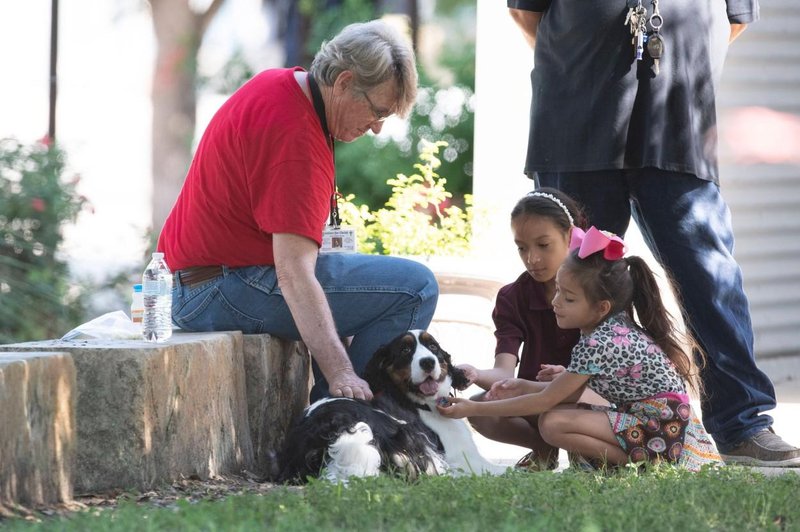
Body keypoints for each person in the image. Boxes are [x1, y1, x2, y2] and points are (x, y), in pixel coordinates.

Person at [507, 1, 800, 466]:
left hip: (677, 124)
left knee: (709, 276)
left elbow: (734, 19)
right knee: (568, 282)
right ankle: (559, 435)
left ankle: (743, 426)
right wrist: (581, 64)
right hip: (575, 121)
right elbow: (527, 14)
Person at [156, 20, 439, 402]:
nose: (375, 128)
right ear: (343, 83)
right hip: (217, 288)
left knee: (392, 284)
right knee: (415, 288)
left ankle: (340, 418)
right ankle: (350, 414)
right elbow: (293, 273)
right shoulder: (297, 138)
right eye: (378, 112)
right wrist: (340, 373)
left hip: (202, 282)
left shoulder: (284, 86)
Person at [439, 228, 721, 471]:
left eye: (569, 298)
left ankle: (646, 465)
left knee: (553, 423)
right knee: (562, 411)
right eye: (559, 291)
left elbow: (545, 402)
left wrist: (471, 408)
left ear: (601, 308)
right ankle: (637, 459)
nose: (556, 302)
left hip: (661, 428)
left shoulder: (598, 342)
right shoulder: (612, 327)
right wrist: (523, 385)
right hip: (659, 422)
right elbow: (575, 391)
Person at [456, 189, 591, 470]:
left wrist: (567, 378)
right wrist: (475, 374)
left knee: (571, 426)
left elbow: (614, 382)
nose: (532, 259)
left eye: (543, 245)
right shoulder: (512, 297)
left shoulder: (597, 290)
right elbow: (504, 372)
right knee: (481, 409)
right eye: (522, 247)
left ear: (570, 236)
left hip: (585, 399)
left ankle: (585, 453)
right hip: (533, 399)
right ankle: (543, 449)